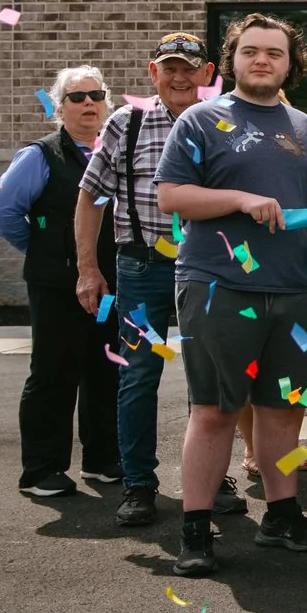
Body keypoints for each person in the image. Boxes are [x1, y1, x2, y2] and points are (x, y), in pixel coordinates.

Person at [157, 13, 307, 573]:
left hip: (295, 293)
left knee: (283, 411)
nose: (262, 60)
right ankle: (195, 529)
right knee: (213, 411)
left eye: (274, 53)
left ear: (291, 64)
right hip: (219, 287)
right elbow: (170, 197)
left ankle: (281, 517)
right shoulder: (199, 121)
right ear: (232, 59)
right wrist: (238, 200)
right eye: (251, 51)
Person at [72, 30, 243, 528]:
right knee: (138, 375)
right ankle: (139, 484)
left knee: (207, 380)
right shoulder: (126, 123)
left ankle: (212, 480)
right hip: (142, 264)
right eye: (169, 67)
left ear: (208, 74)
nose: (180, 76)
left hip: (210, 266)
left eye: (190, 67)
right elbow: (90, 197)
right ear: (153, 74)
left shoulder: (226, 122)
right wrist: (88, 268)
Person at [0, 63, 120, 500]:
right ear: (59, 108)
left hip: (114, 282)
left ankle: (103, 461)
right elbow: (3, 212)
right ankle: (41, 469)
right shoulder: (39, 156)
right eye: (77, 98)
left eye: (95, 96)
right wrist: (45, 249)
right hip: (57, 284)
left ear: (107, 103)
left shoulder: (117, 152)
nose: (88, 104)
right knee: (53, 373)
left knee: (106, 370)